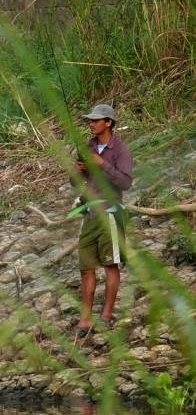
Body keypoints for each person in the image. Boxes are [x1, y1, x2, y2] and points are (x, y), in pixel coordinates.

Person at [72, 104, 133, 339]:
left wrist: (102, 164)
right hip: (90, 215)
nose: (91, 123)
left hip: (111, 213)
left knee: (110, 265)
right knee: (85, 268)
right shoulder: (88, 147)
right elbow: (76, 181)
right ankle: (85, 320)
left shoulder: (121, 151)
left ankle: (106, 317)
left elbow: (126, 183)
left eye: (96, 120)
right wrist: (78, 170)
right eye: (90, 120)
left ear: (108, 122)